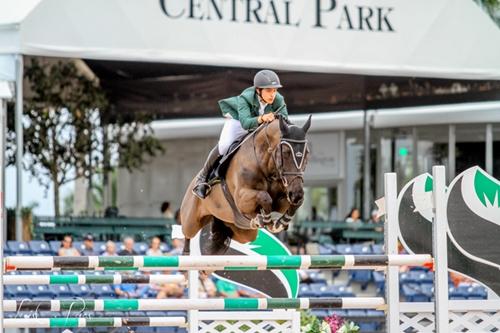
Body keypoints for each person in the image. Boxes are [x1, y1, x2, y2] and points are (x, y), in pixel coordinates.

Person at [192, 69, 288, 199]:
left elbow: (285, 121)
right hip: (238, 122)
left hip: (262, 126)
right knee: (225, 146)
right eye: (268, 90)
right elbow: (246, 123)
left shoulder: (278, 99)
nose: (272, 94)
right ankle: (202, 177)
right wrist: (262, 118)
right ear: (258, 90)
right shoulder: (246, 97)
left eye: (275, 90)